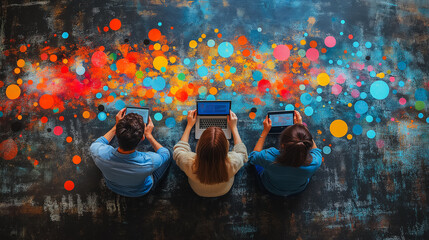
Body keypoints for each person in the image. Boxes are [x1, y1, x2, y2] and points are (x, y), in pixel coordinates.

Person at [90, 108, 171, 197]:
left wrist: (116, 126)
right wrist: (149, 136)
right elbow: (165, 153)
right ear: (142, 138)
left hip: (113, 187)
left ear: (117, 134)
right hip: (140, 190)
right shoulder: (150, 161)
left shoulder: (98, 154)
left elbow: (99, 142)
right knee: (168, 154)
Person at [173, 110, 248, 197]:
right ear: (226, 148)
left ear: (199, 146)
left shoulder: (187, 162)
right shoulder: (234, 162)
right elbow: (242, 153)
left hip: (198, 191)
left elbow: (179, 149)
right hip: (224, 190)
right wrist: (234, 128)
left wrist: (189, 125)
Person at [248, 110, 322, 196]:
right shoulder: (315, 162)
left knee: (257, 162)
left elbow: (252, 157)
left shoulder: (268, 157)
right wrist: (302, 128)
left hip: (271, 187)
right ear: (308, 145)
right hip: (298, 189)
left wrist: (265, 132)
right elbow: (315, 150)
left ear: (282, 145)